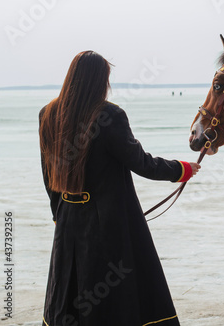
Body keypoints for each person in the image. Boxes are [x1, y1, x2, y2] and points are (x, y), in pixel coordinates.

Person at [38, 51, 200, 326]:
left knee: (69, 292)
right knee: (114, 296)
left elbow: (48, 173)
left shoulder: (48, 113)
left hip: (67, 222)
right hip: (108, 225)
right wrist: (182, 169)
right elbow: (142, 163)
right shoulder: (110, 115)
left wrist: (58, 214)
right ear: (100, 80)